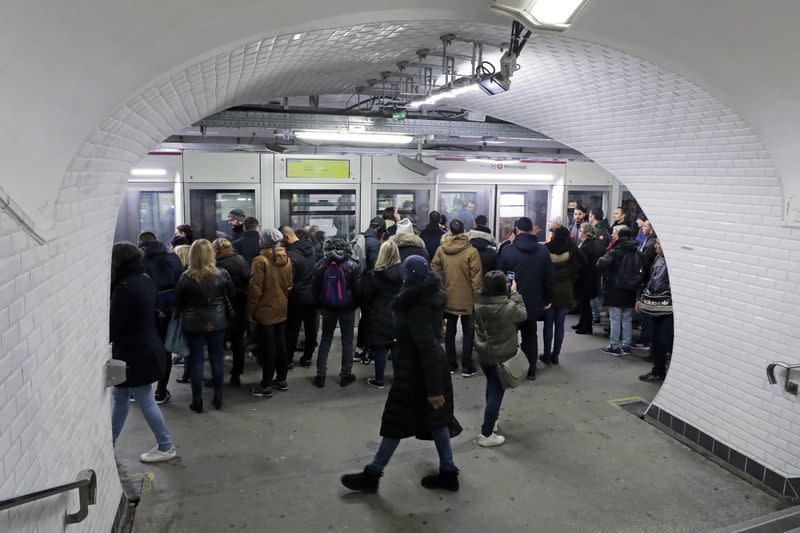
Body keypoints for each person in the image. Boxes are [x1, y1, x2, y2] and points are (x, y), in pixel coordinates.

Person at [340, 256, 462, 493]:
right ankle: (448, 472)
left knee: (395, 423)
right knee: (437, 423)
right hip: (424, 374)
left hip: (416, 375)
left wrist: (434, 390)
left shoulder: (415, 307)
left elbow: (428, 349)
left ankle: (372, 475)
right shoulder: (429, 298)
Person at [109, 242, 177, 463]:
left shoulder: (124, 288)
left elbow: (115, 326)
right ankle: (110, 441)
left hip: (133, 353)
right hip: (147, 346)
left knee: (144, 399)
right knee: (120, 397)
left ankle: (166, 445)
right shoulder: (145, 280)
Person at [174, 239, 236, 412]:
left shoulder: (185, 277)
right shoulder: (222, 274)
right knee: (217, 359)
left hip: (193, 324)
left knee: (196, 361)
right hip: (218, 322)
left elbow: (178, 303)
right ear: (211, 254)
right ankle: (218, 398)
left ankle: (197, 401)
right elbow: (232, 293)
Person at [473, 271, 528, 447]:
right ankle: (486, 434)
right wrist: (515, 293)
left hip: (484, 353)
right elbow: (523, 315)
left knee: (491, 385)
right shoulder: (509, 306)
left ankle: (493, 419)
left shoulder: (478, 304)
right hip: (502, 356)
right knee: (497, 391)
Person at [497, 217, 554, 380]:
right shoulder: (543, 251)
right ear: (531, 230)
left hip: (511, 302)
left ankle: (511, 370)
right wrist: (547, 299)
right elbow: (549, 278)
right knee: (530, 335)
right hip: (534, 302)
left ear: (517, 230)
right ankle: (531, 370)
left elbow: (500, 277)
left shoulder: (508, 251)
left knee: (510, 336)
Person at [138, 231, 184, 404]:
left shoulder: (138, 261)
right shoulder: (173, 258)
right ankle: (161, 390)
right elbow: (182, 280)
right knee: (166, 350)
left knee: (143, 348)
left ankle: (140, 390)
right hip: (171, 308)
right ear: (157, 241)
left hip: (147, 309)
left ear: (140, 243)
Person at [431, 219, 482, 377]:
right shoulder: (471, 252)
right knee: (468, 332)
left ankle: (451, 364)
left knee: (450, 332)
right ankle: (467, 367)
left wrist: (441, 287)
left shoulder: (441, 249)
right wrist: (477, 299)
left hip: (448, 297)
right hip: (468, 300)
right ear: (465, 231)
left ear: (450, 232)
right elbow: (476, 278)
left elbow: (434, 269)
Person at [248, 229, 293, 398]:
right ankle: (281, 380)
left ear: (264, 241)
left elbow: (255, 290)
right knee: (281, 345)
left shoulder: (260, 261)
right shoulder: (287, 259)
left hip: (264, 310)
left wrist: (250, 312)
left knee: (268, 349)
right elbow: (289, 285)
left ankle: (266, 385)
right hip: (282, 308)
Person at [312, 238, 361, 388]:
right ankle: (346, 375)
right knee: (347, 342)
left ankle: (320, 376)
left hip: (327, 308)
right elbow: (357, 290)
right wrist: (354, 305)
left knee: (325, 339)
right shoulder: (353, 265)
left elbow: (315, 290)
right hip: (347, 308)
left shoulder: (320, 265)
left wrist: (320, 306)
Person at [360, 241, 403, 389]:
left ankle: (379, 380)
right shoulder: (404, 273)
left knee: (380, 349)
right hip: (398, 315)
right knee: (396, 347)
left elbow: (366, 296)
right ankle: (398, 379)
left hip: (379, 315)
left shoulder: (375, 275)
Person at [212, 238, 251, 386]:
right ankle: (236, 373)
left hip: (221, 307)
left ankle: (217, 376)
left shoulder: (216, 264)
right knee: (238, 341)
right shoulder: (240, 259)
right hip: (239, 305)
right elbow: (248, 278)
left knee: (218, 343)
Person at [596, 226, 640, 356]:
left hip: (616, 288)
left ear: (620, 236)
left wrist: (602, 258)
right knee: (627, 319)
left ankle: (614, 346)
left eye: (615, 233)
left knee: (615, 318)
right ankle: (626, 346)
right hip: (631, 289)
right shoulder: (635, 250)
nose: (612, 234)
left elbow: (602, 264)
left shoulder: (615, 251)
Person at [541, 227, 580, 365]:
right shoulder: (573, 248)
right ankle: (555, 355)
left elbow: (541, 271)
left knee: (548, 326)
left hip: (549, 293)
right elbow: (579, 267)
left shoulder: (546, 248)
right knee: (560, 326)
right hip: (565, 291)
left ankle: (546, 354)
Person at [281, 225, 318, 368]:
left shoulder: (291, 255)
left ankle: (288, 359)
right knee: (310, 328)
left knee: (292, 329)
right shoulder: (313, 250)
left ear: (286, 237)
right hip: (313, 295)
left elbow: (288, 280)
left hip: (296, 297)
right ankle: (307, 358)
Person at [637, 239, 672, 383]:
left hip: (665, 307)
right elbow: (652, 280)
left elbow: (657, 283)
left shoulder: (667, 262)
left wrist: (646, 295)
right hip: (658, 305)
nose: (656, 246)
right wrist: (642, 297)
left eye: (659, 243)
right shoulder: (659, 259)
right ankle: (657, 370)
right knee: (657, 340)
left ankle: (659, 370)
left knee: (662, 341)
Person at [574, 223, 604, 334]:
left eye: (581, 231)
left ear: (586, 233)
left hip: (585, 279)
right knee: (584, 303)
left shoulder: (586, 247)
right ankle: (582, 322)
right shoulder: (592, 243)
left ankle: (586, 327)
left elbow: (582, 264)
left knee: (584, 304)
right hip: (591, 278)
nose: (579, 232)